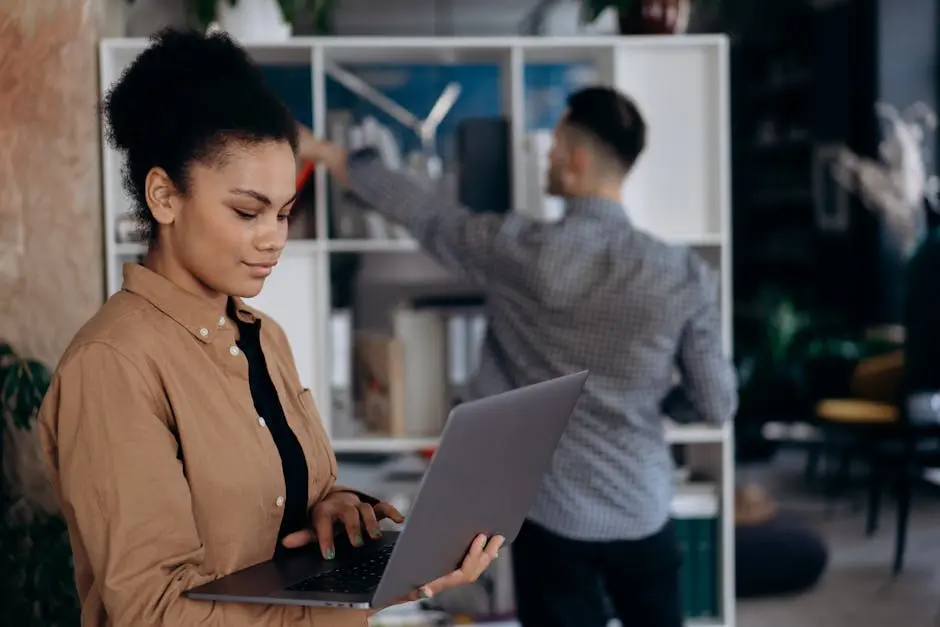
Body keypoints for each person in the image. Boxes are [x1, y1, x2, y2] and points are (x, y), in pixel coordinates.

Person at [37, 28, 502, 627]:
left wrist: (334, 511)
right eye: (246, 211)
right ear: (163, 197)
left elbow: (277, 508)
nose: (274, 237)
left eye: (283, 213)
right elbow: (154, 613)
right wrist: (348, 600)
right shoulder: (114, 365)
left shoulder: (263, 336)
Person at [298, 85, 737, 627]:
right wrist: (658, 401)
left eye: (554, 147)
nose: (548, 158)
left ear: (576, 160)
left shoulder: (520, 251)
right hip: (642, 505)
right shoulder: (684, 273)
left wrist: (333, 155)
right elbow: (717, 403)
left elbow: (427, 216)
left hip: (556, 516)